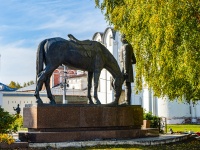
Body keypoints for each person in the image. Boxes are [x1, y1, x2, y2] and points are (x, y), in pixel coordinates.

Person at [119, 34, 136, 105]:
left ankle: (127, 101)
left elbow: (125, 58)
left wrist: (125, 70)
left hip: (125, 68)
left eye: (121, 38)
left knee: (126, 85)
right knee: (127, 85)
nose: (121, 39)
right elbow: (134, 60)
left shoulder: (125, 46)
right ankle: (127, 101)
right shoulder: (130, 46)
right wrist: (129, 62)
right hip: (128, 67)